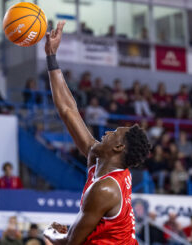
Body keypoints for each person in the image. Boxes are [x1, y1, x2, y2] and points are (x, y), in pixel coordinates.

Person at [43, 21, 151, 244]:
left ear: (118, 147)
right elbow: (68, 110)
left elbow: (71, 243)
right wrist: (51, 57)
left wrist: (50, 233)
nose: (107, 133)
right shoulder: (99, 158)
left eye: (114, 133)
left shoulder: (104, 188)